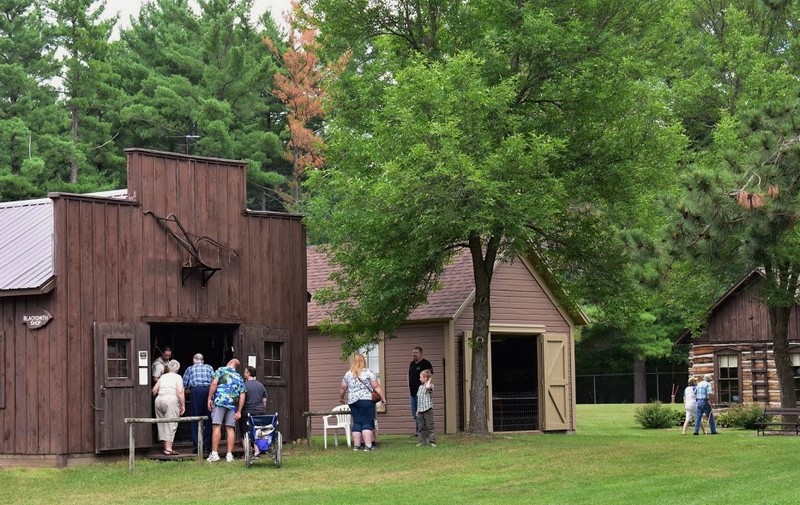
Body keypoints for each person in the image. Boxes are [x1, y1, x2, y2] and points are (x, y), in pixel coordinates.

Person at [339, 353, 385, 451]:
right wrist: (383, 397)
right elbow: (376, 386)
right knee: (367, 422)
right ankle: (368, 446)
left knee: (357, 422)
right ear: (363, 362)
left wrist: (342, 398)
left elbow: (343, 388)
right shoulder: (368, 372)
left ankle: (356, 445)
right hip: (366, 400)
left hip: (352, 401)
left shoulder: (348, 373)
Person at [206, 359, 246, 462]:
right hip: (232, 404)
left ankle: (214, 454)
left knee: (216, 426)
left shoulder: (220, 370)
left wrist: (209, 398)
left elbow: (214, 383)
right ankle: (229, 455)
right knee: (230, 428)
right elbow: (242, 395)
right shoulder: (239, 377)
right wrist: (239, 411)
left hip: (220, 401)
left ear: (229, 363)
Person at [152, 359, 185, 455]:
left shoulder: (163, 377)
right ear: (178, 368)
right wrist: (183, 405)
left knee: (162, 423)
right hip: (171, 400)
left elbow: (154, 390)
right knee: (171, 423)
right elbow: (180, 392)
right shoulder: (178, 377)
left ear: (168, 367)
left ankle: (166, 448)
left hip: (159, 400)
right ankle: (169, 449)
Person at [183, 353, 214, 453]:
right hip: (208, 391)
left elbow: (184, 385)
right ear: (202, 360)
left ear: (194, 360)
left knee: (195, 418)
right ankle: (207, 445)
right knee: (208, 418)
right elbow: (214, 382)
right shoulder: (209, 367)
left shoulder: (190, 369)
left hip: (195, 391)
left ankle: (197, 446)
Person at [239, 366, 268, 459]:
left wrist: (238, 410)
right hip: (260, 412)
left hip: (247, 412)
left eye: (245, 372)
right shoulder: (260, 385)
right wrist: (263, 409)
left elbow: (242, 399)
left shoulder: (244, 385)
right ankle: (257, 451)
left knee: (245, 433)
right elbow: (264, 400)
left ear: (248, 374)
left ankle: (248, 453)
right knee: (257, 431)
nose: (244, 374)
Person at [409, 346, 433, 435]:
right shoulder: (411, 364)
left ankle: (425, 432)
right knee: (415, 413)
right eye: (413, 353)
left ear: (421, 353)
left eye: (416, 353)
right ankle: (418, 431)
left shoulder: (426, 363)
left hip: (423, 394)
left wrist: (427, 386)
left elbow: (430, 377)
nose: (414, 354)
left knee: (423, 414)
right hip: (412, 393)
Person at [416, 369, 437, 447]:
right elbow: (419, 399)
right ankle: (422, 441)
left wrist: (429, 380)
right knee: (421, 427)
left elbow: (428, 387)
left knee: (430, 426)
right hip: (420, 410)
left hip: (428, 409)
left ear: (425, 378)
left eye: (421, 377)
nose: (419, 379)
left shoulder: (431, 386)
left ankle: (432, 442)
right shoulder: (420, 387)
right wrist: (417, 410)